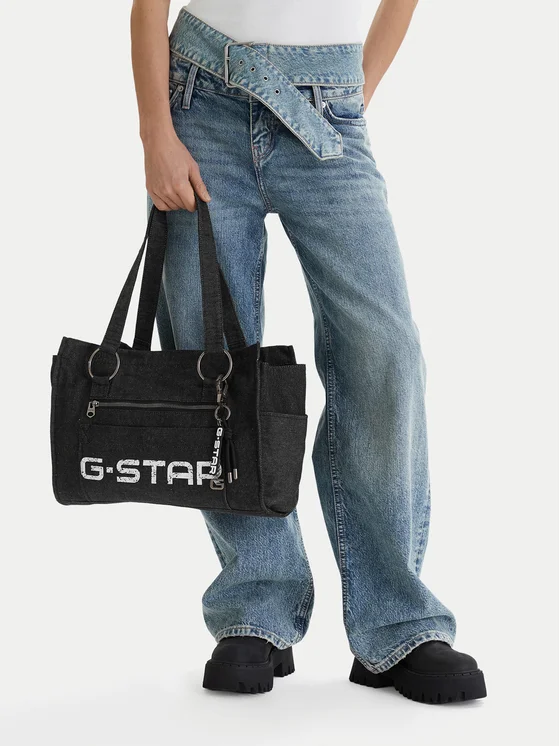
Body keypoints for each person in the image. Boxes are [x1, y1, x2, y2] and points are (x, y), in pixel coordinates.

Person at [130, 0, 486, 703]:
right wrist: (155, 133)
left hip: (330, 109)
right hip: (201, 101)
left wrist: (350, 92)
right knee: (215, 362)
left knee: (385, 353)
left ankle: (397, 623)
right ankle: (256, 608)